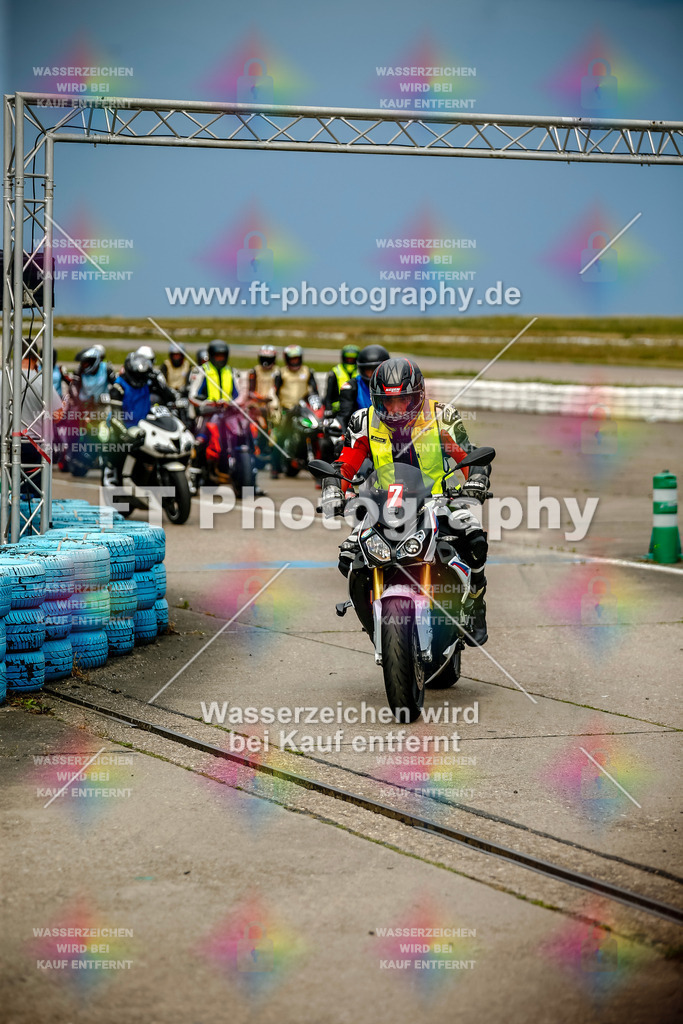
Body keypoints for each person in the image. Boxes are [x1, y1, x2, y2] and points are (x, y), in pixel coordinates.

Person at [321, 357, 492, 645]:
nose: (396, 409)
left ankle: (475, 604)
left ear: (418, 395)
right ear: (377, 400)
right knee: (349, 557)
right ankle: (375, 622)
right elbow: (345, 464)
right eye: (388, 402)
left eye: (403, 400)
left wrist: (476, 480)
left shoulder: (441, 416)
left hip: (438, 501)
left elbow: (467, 455)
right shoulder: (363, 422)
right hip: (382, 506)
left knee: (474, 540)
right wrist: (333, 489)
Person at [103, 351, 176, 487]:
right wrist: (124, 433)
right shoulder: (118, 387)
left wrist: (159, 384)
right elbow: (116, 415)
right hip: (121, 426)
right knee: (116, 446)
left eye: (143, 375)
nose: (141, 378)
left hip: (144, 426)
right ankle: (111, 472)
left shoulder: (147, 383)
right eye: (138, 375)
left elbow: (169, 397)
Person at [270, 344, 318, 479]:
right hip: (287, 410)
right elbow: (275, 392)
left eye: (297, 359)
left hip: (303, 409)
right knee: (280, 436)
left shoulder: (308, 371)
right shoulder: (281, 373)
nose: (294, 361)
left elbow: (314, 391)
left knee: (314, 431)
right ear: (287, 359)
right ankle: (275, 468)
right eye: (292, 359)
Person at [337, 344, 389, 428]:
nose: (373, 374)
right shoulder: (351, 387)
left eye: (377, 370)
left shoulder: (394, 386)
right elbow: (344, 415)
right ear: (362, 370)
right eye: (369, 370)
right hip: (361, 433)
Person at [324, 344, 360, 414]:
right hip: (338, 409)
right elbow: (328, 394)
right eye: (348, 359)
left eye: (352, 359)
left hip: (356, 407)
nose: (350, 361)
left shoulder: (361, 372)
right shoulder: (335, 371)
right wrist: (328, 408)